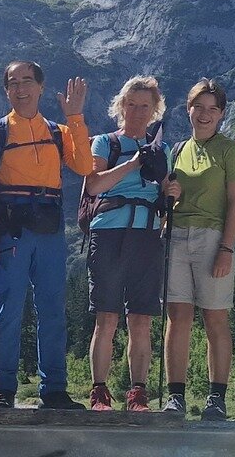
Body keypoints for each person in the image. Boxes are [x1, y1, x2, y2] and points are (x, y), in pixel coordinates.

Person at [0, 61, 92, 409]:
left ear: (41, 87)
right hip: (12, 231)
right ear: (6, 91)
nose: (20, 89)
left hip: (50, 231)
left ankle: (54, 389)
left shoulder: (59, 131)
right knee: (8, 309)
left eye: (27, 81)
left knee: (53, 309)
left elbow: (84, 167)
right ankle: (3, 389)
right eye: (13, 83)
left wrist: (76, 117)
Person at [155, 79, 235, 420]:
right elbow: (165, 199)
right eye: (199, 107)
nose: (205, 114)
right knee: (178, 318)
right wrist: (169, 192)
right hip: (176, 236)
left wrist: (227, 247)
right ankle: (175, 396)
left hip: (213, 239)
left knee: (215, 317)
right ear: (189, 110)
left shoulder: (229, 150)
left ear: (221, 114)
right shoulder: (178, 149)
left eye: (213, 109)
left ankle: (216, 398)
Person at [81, 76, 168, 412]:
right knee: (107, 317)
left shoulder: (163, 149)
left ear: (153, 110)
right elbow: (94, 185)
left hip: (146, 235)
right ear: (121, 106)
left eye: (144, 105)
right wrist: (134, 164)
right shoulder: (105, 142)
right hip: (109, 233)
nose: (136, 111)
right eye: (131, 104)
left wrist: (172, 188)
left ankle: (138, 392)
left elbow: (168, 193)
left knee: (141, 319)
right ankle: (99, 391)